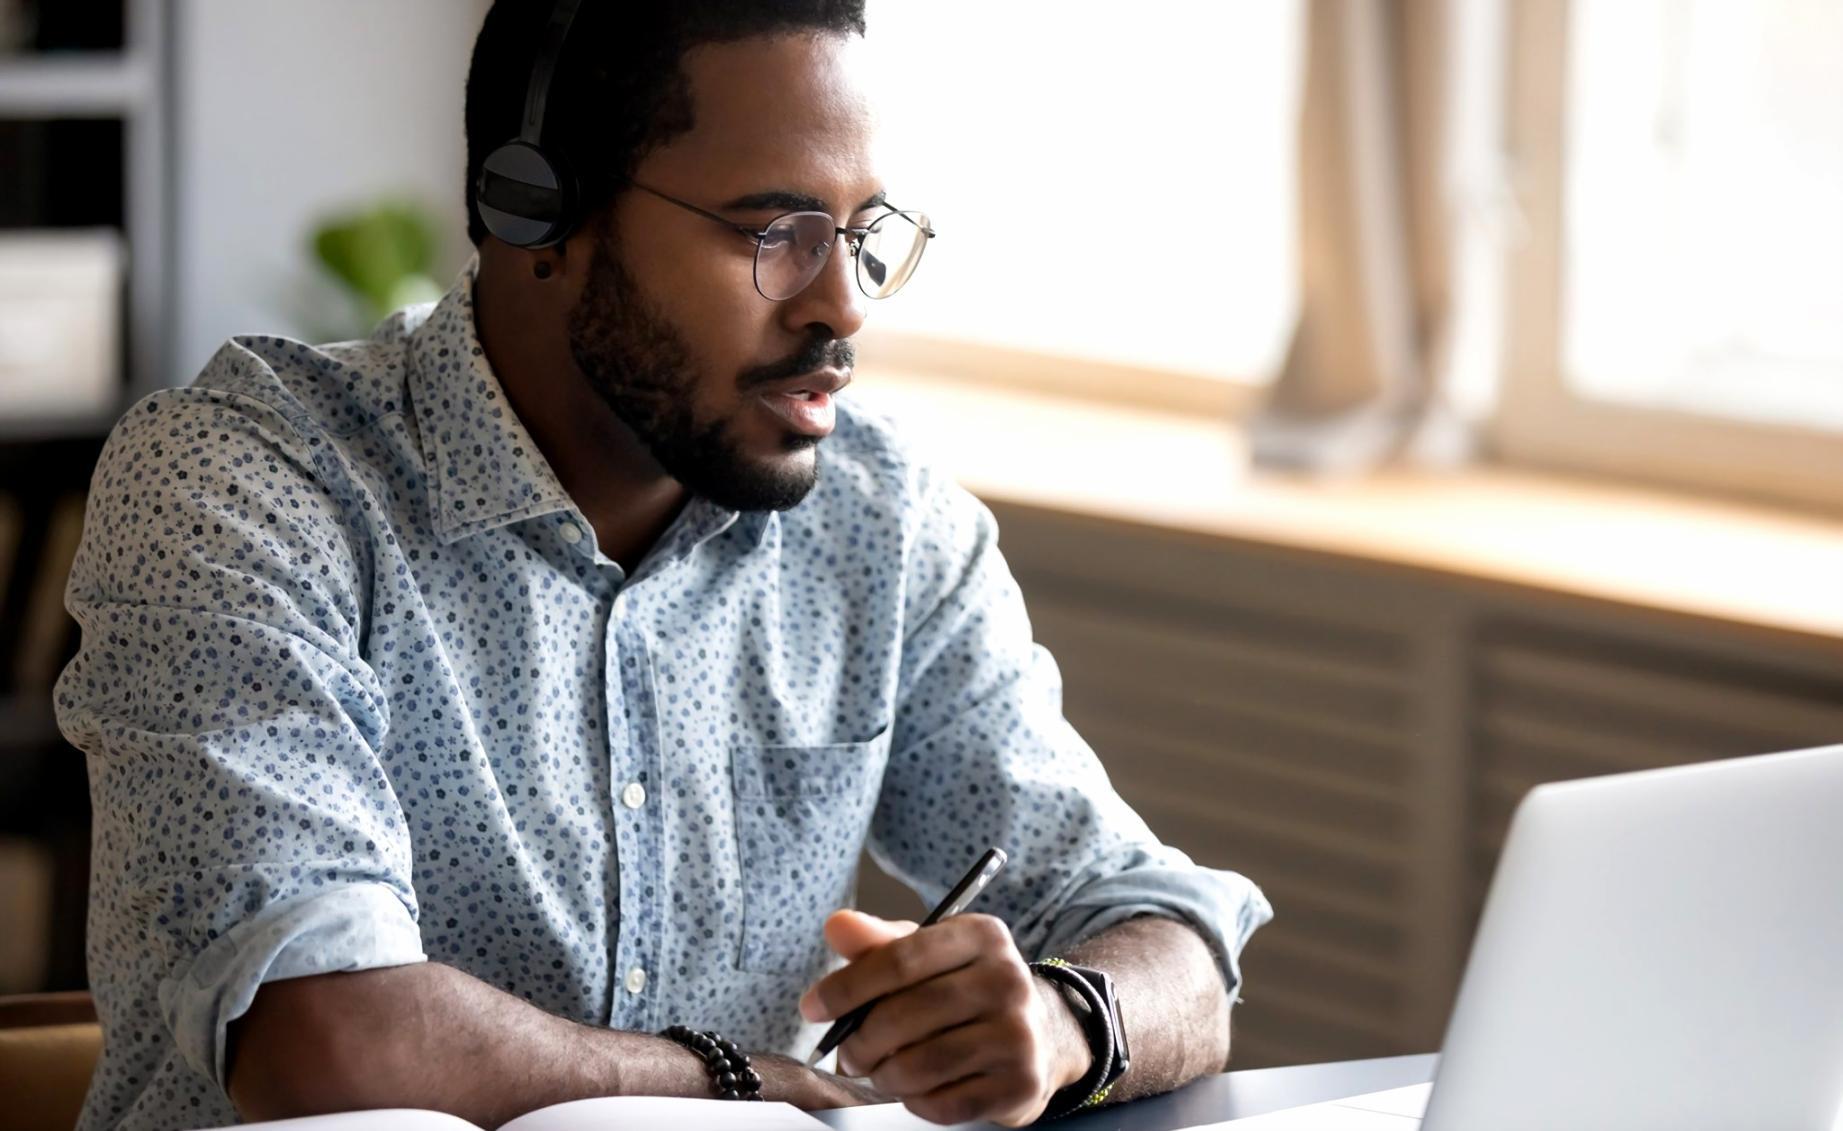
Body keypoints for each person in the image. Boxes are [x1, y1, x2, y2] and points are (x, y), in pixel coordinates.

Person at [54, 4, 1271, 1129]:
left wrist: (1066, 1021)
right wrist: (748, 1088)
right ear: (537, 214)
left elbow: (1164, 931)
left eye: (862, 235)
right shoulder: (243, 484)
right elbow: (325, 1043)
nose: (842, 308)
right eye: (775, 232)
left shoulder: (877, 519)